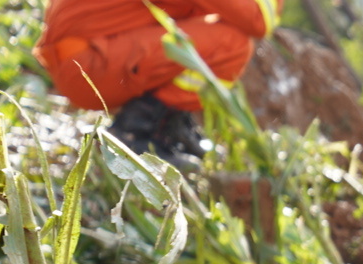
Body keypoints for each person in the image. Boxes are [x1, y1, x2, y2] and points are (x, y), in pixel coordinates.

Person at [36, 0, 280, 160]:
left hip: (87, 59)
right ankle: (137, 133)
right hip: (88, 64)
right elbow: (259, 20)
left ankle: (166, 125)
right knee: (232, 43)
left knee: (211, 29)